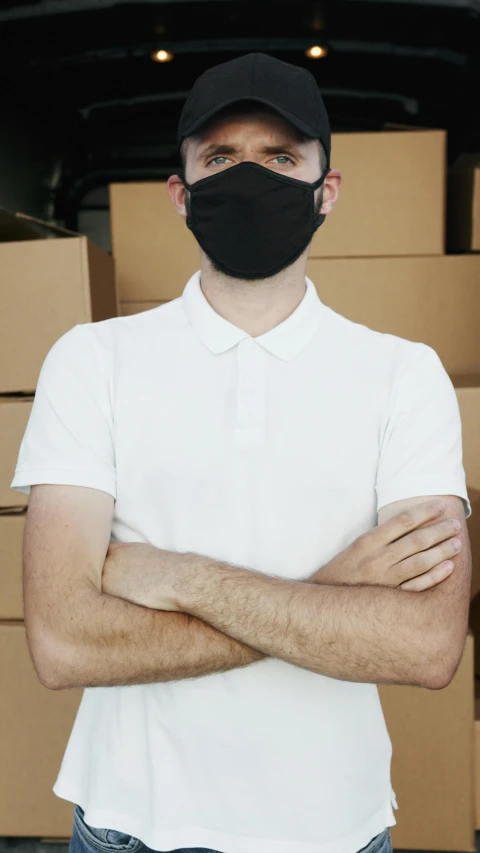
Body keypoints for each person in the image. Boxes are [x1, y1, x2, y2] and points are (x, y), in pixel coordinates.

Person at [11, 52, 471, 853]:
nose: (250, 175)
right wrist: (332, 591)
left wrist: (173, 575)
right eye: (221, 157)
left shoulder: (404, 374)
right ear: (181, 196)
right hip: (128, 825)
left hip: (334, 828)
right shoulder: (92, 360)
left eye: (281, 157)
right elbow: (62, 641)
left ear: (327, 191)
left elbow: (426, 645)